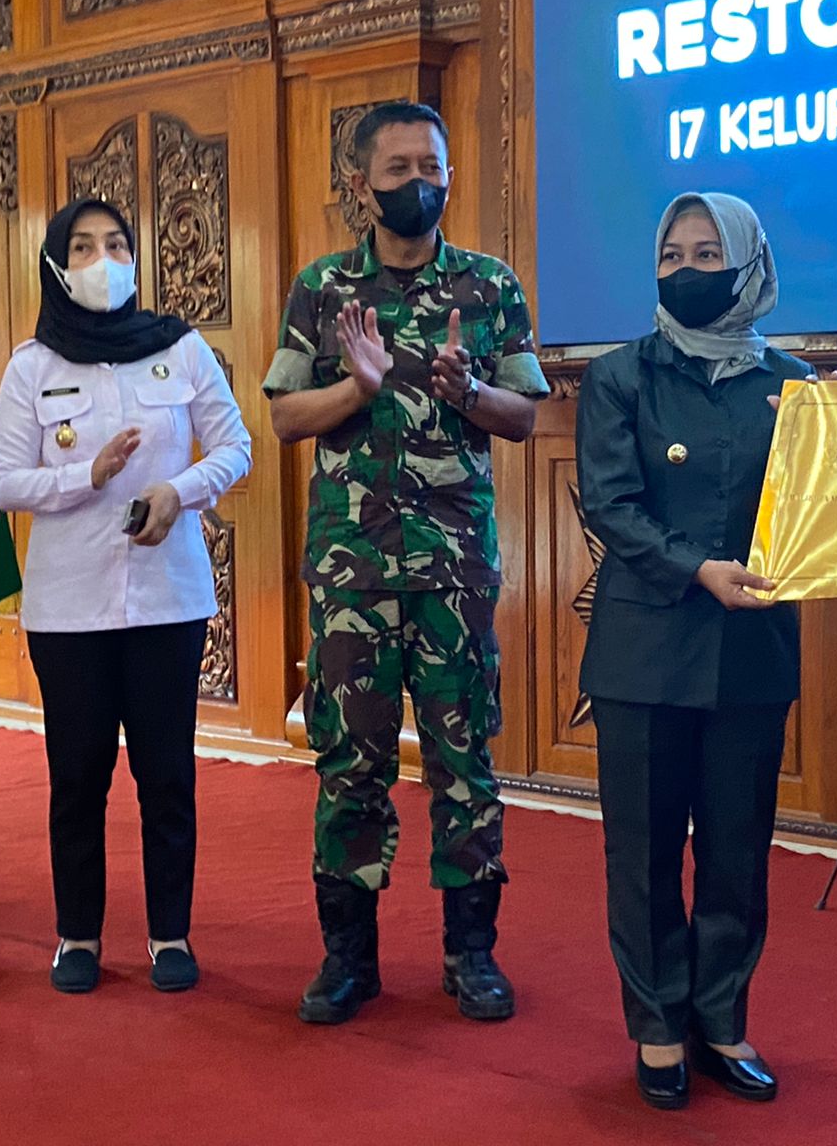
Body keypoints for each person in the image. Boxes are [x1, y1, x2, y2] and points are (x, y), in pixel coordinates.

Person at [263, 101, 549, 1025]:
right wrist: (359, 385)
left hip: (456, 568)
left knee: (464, 760)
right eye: (396, 168)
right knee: (351, 762)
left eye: (431, 163)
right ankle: (349, 957)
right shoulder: (323, 288)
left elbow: (524, 415)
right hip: (352, 573)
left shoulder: (488, 286)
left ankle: (472, 955)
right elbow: (284, 418)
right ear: (361, 184)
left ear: (451, 174)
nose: (416, 181)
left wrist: (469, 391)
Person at [575, 193, 809, 1110]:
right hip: (645, 647)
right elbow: (611, 505)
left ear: (748, 263)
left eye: (709, 252)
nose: (686, 269)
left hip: (751, 649)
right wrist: (697, 567)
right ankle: (658, 1026)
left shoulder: (794, 385)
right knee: (641, 852)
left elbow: (821, 506)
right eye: (671, 253)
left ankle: (722, 1018)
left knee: (738, 850)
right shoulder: (621, 376)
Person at [0, 199, 251, 995]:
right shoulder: (33, 364)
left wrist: (180, 490)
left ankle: (170, 935)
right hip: (68, 610)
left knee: (167, 775)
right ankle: (79, 936)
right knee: (79, 776)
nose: (104, 259)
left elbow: (235, 446)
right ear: (58, 267)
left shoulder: (179, 347)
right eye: (84, 246)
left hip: (168, 600)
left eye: (116, 244)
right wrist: (85, 477)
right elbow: (4, 483)